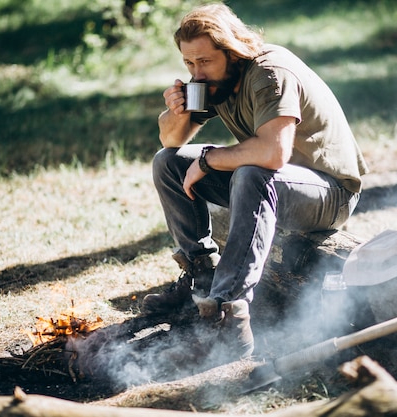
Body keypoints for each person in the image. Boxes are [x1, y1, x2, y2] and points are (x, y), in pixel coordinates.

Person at [142, 3, 368, 360]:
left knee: (253, 170)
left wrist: (209, 159)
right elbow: (171, 142)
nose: (196, 73)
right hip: (271, 182)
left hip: (330, 193)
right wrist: (176, 114)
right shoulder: (214, 80)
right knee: (167, 164)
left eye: (204, 62)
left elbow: (273, 154)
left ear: (231, 53)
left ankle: (230, 310)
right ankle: (201, 277)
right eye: (188, 63)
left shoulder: (269, 73)